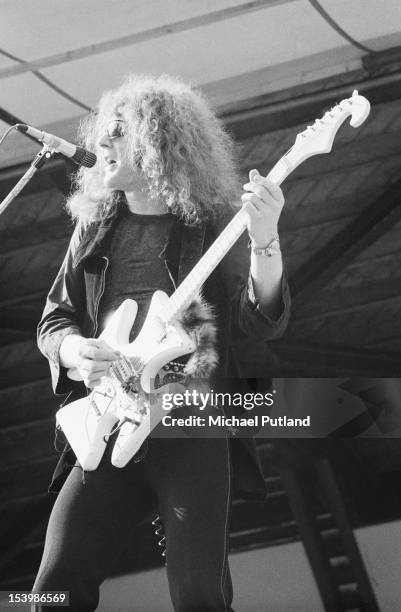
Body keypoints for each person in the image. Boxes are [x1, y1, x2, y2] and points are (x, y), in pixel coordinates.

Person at [33, 74, 290, 611]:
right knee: (51, 592)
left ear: (157, 142)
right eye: (102, 131)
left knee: (199, 594)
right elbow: (53, 323)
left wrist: (266, 241)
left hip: (189, 423)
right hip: (109, 423)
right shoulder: (94, 228)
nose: (101, 142)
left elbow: (260, 320)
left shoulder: (212, 224)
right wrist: (78, 352)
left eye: (118, 132)